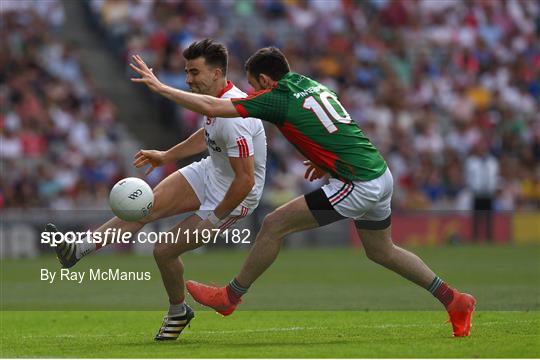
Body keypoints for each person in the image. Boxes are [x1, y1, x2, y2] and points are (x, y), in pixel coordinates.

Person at [129, 46, 476, 337]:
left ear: (266, 80)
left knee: (274, 224)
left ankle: (229, 297)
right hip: (378, 173)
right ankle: (454, 299)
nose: (253, 93)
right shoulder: (311, 85)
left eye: (254, 86)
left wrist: (160, 87)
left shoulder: (276, 99)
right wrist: (327, 161)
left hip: (357, 183)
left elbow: (211, 107)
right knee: (382, 251)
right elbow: (337, 125)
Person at [46, 39, 267, 341]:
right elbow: (207, 137)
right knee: (143, 206)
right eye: (187, 72)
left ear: (217, 73)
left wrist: (214, 219)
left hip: (234, 196)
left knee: (163, 250)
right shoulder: (217, 102)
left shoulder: (237, 119)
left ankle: (178, 312)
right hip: (210, 172)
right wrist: (167, 155)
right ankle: (78, 249)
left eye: (194, 72)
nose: (188, 80)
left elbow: (245, 181)